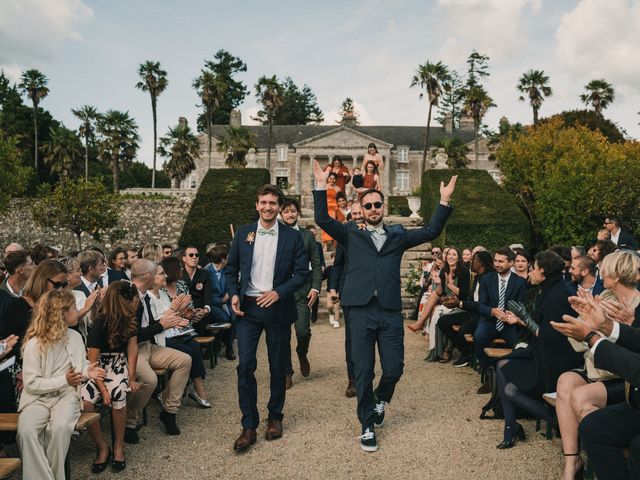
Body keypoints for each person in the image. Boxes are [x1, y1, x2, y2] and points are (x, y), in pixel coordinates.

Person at [313, 159, 455, 452]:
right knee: (364, 370)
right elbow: (324, 221)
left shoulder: (399, 235)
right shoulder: (350, 233)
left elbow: (429, 232)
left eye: (378, 205)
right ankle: (366, 425)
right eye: (369, 206)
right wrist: (319, 186)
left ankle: (380, 399)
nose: (374, 209)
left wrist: (443, 201)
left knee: (394, 368)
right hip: (359, 309)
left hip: (389, 310)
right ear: (362, 211)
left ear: (383, 208)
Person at [226, 184, 309, 452]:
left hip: (277, 307)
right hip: (248, 309)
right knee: (245, 366)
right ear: (257, 204)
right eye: (263, 202)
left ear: (279, 207)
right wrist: (234, 294)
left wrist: (279, 292)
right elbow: (231, 269)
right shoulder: (243, 233)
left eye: (273, 203)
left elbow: (301, 275)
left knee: (276, 366)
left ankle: (275, 416)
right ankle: (249, 425)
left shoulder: (293, 237)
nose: (268, 207)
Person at [553, 250, 640, 480]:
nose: (600, 273)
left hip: (623, 379)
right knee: (566, 383)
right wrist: (593, 321)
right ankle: (572, 462)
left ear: (617, 273)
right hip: (605, 370)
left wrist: (594, 334)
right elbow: (579, 341)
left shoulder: (636, 304)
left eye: (604, 269)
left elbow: (633, 360)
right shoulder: (607, 298)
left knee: (581, 399)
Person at [493, 251, 583, 450]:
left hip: (554, 361)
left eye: (533, 268)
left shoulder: (559, 295)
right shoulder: (549, 288)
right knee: (500, 365)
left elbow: (550, 336)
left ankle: (554, 419)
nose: (530, 272)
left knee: (509, 388)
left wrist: (526, 318)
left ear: (542, 271)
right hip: (541, 350)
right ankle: (511, 427)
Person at [17, 289, 105, 480]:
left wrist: (88, 372)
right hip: (36, 399)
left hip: (66, 397)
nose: (78, 310)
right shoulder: (34, 344)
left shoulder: (75, 337)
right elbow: (31, 384)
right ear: (61, 314)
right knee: (26, 431)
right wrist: (63, 380)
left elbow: (80, 367)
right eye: (74, 308)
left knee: (59, 428)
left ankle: (57, 476)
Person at [125, 259, 192, 441]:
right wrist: (163, 324)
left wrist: (171, 317)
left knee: (184, 360)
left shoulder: (146, 295)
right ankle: (129, 423)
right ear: (148, 276)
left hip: (148, 346)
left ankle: (169, 411)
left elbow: (152, 325)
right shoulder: (128, 295)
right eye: (158, 272)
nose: (163, 275)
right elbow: (131, 333)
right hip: (130, 350)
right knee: (149, 380)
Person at [81, 281, 140, 473]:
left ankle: (118, 446)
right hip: (97, 367)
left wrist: (131, 377)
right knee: (86, 401)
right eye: (133, 299)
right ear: (124, 301)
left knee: (119, 393)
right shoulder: (100, 322)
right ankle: (101, 446)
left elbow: (132, 350)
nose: (136, 302)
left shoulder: (129, 319)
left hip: (118, 363)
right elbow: (92, 362)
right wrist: (102, 389)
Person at [152, 261, 211, 408]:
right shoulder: (152, 295)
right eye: (161, 274)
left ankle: (198, 390)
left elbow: (177, 312)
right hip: (161, 336)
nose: (164, 276)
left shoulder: (167, 291)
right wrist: (177, 314)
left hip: (177, 330)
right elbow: (162, 318)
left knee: (195, 345)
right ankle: (167, 393)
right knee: (188, 351)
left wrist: (186, 313)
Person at [279, 198, 322, 389]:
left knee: (303, 332)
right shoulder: (276, 235)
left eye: (293, 211)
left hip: (302, 293)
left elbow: (317, 264)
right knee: (282, 336)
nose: (290, 214)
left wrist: (315, 287)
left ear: (298, 213)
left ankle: (302, 352)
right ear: (281, 214)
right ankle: (287, 372)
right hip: (280, 293)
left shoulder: (307, 236)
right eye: (286, 211)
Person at [474, 248, 528, 393]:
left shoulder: (520, 282)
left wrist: (512, 315)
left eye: (501, 261)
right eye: (495, 260)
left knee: (519, 344)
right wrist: (492, 311)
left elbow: (522, 306)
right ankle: (488, 374)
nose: (497, 264)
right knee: (479, 337)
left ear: (511, 263)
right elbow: (480, 305)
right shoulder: (486, 279)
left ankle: (508, 375)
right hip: (490, 321)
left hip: (510, 324)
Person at [328, 200, 365, 397]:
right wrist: (333, 288)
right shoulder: (344, 236)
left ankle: (365, 374)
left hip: (370, 293)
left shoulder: (375, 234)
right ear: (350, 215)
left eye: (361, 213)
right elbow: (337, 264)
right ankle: (352, 380)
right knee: (351, 338)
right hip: (349, 292)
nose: (358, 216)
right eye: (355, 214)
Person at [439, 250, 495, 367]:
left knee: (462, 330)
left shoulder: (488, 279)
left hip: (482, 314)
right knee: (442, 322)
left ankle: (466, 355)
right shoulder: (477, 278)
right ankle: (466, 351)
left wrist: (459, 303)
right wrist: (454, 301)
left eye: (473, 261)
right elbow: (470, 298)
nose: (471, 263)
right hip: (472, 311)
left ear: (481, 263)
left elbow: (481, 304)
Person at [204, 244, 236, 360]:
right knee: (224, 318)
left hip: (227, 302)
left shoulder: (228, 270)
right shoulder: (206, 271)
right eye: (228, 257)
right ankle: (214, 346)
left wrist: (229, 296)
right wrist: (221, 300)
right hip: (213, 303)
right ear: (223, 259)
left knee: (234, 316)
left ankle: (229, 347)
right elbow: (206, 294)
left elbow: (231, 285)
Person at [321, 172, 342, 252]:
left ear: (335, 180)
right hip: (326, 207)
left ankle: (334, 245)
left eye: (334, 179)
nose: (332, 180)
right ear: (328, 179)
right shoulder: (325, 187)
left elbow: (340, 199)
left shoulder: (337, 188)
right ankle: (325, 245)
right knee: (324, 226)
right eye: (330, 178)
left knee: (333, 226)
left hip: (334, 209)